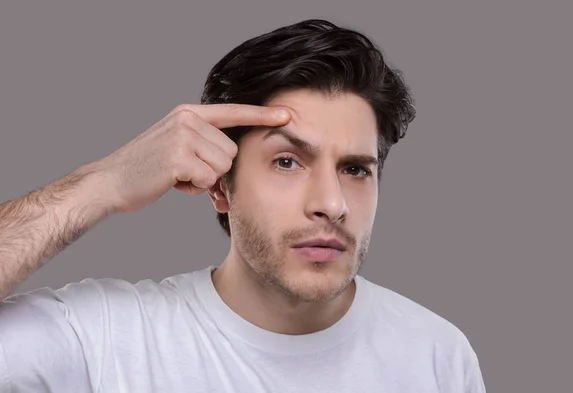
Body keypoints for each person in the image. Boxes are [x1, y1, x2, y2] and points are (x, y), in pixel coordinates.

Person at [0, 19, 485, 392]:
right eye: (288, 162)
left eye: (355, 169)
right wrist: (104, 182)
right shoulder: (106, 340)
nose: (331, 204)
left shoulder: (436, 355)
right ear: (218, 185)